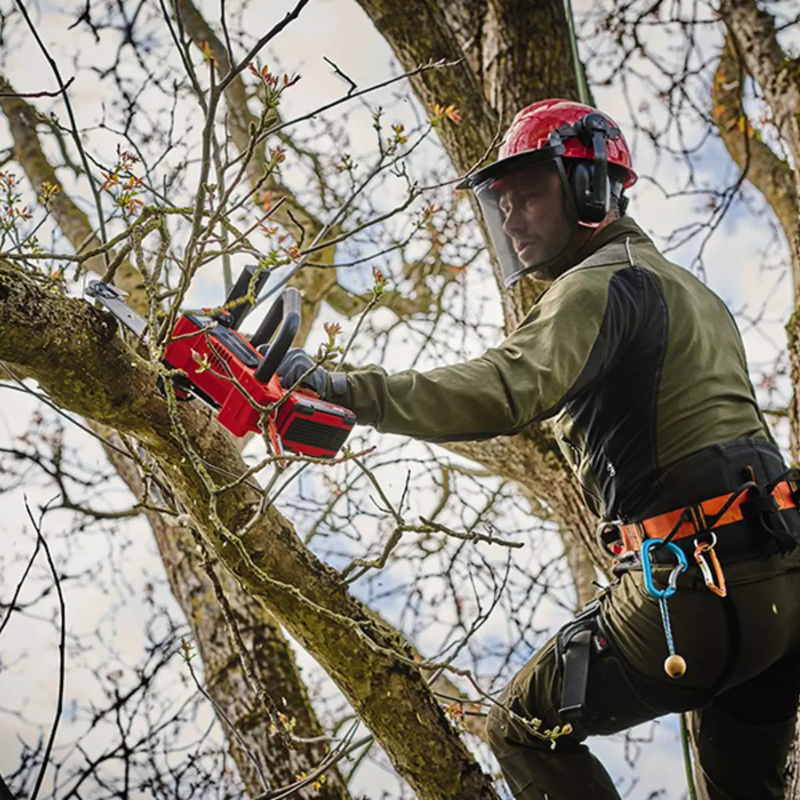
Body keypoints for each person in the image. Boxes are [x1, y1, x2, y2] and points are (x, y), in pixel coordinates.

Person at [276, 99, 800, 800]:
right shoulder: (693, 293)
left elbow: (502, 389)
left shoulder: (596, 284)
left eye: (529, 194)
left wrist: (344, 389)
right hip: (781, 590)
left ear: (590, 189)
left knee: (518, 727)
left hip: (699, 594)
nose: (513, 218)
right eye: (503, 203)